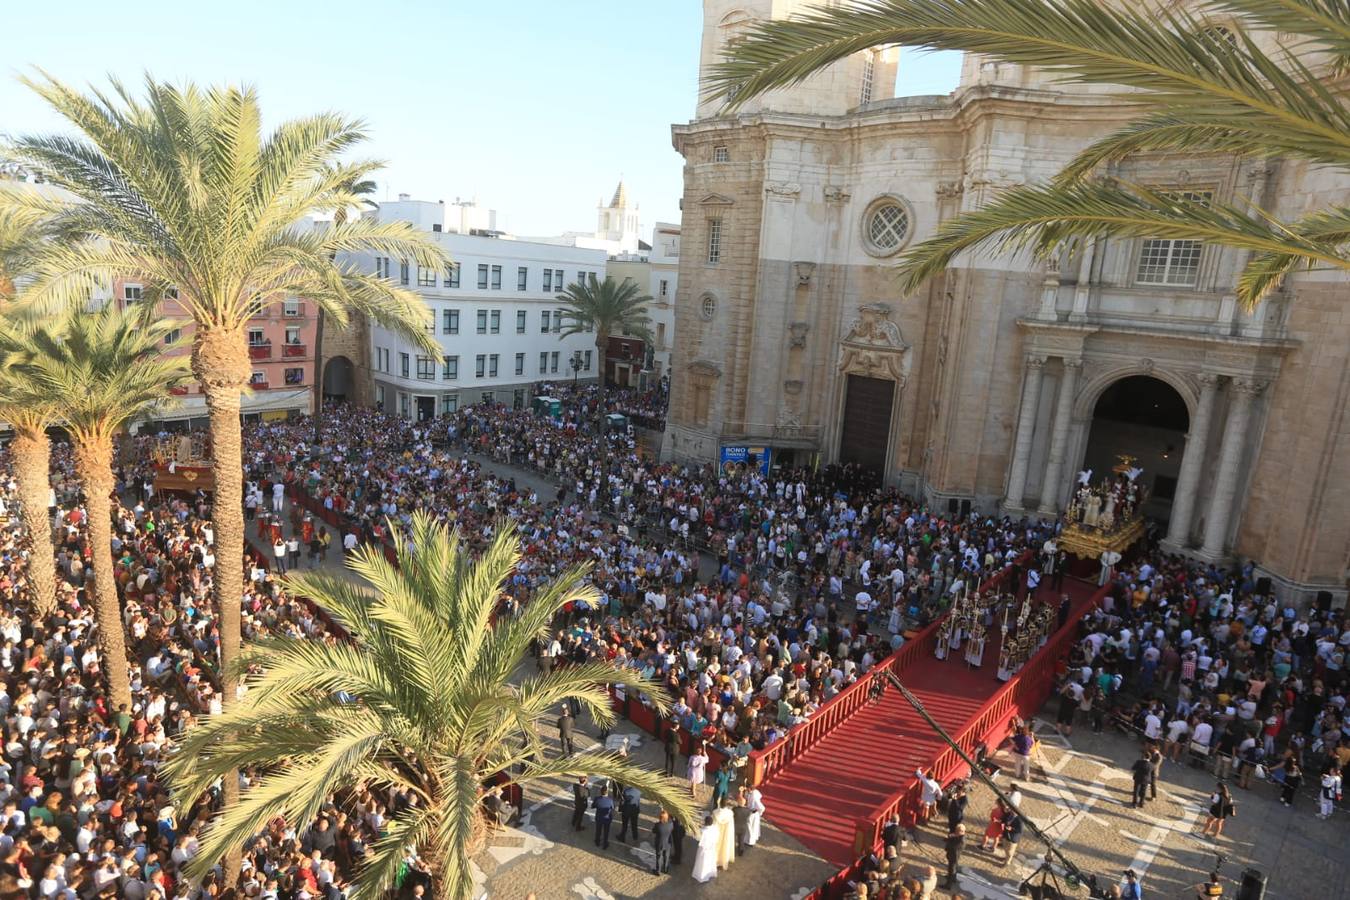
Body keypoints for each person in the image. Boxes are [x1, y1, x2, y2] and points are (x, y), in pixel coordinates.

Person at [692, 815, 719, 883]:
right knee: (710, 861)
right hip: (712, 848)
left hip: (704, 849)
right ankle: (710, 873)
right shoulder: (715, 829)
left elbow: (697, 838)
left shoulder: (703, 831)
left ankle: (702, 876)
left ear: (705, 822)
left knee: (703, 862)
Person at [713, 798, 736, 869]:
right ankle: (723, 861)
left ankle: (715, 861)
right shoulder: (730, 813)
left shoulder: (715, 812)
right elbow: (731, 825)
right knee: (725, 845)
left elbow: (713, 824)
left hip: (717, 832)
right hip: (726, 833)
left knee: (716, 846)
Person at [942, 823, 965, 890]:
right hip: (952, 855)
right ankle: (953, 878)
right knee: (952, 868)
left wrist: (950, 839)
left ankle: (948, 885)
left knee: (951, 869)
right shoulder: (958, 837)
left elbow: (954, 847)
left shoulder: (962, 840)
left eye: (957, 831)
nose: (956, 832)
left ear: (961, 831)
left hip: (954, 856)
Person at [652, 809, 675, 875]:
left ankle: (658, 871)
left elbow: (653, 831)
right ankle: (665, 869)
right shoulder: (671, 824)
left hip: (660, 844)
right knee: (666, 856)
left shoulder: (658, 825)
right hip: (668, 843)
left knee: (658, 857)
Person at [592, 784, 614, 849]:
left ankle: (597, 841)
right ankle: (605, 844)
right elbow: (612, 807)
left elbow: (593, 806)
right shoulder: (610, 800)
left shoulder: (597, 799)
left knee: (598, 830)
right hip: (607, 818)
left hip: (599, 817)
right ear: (607, 792)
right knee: (606, 831)